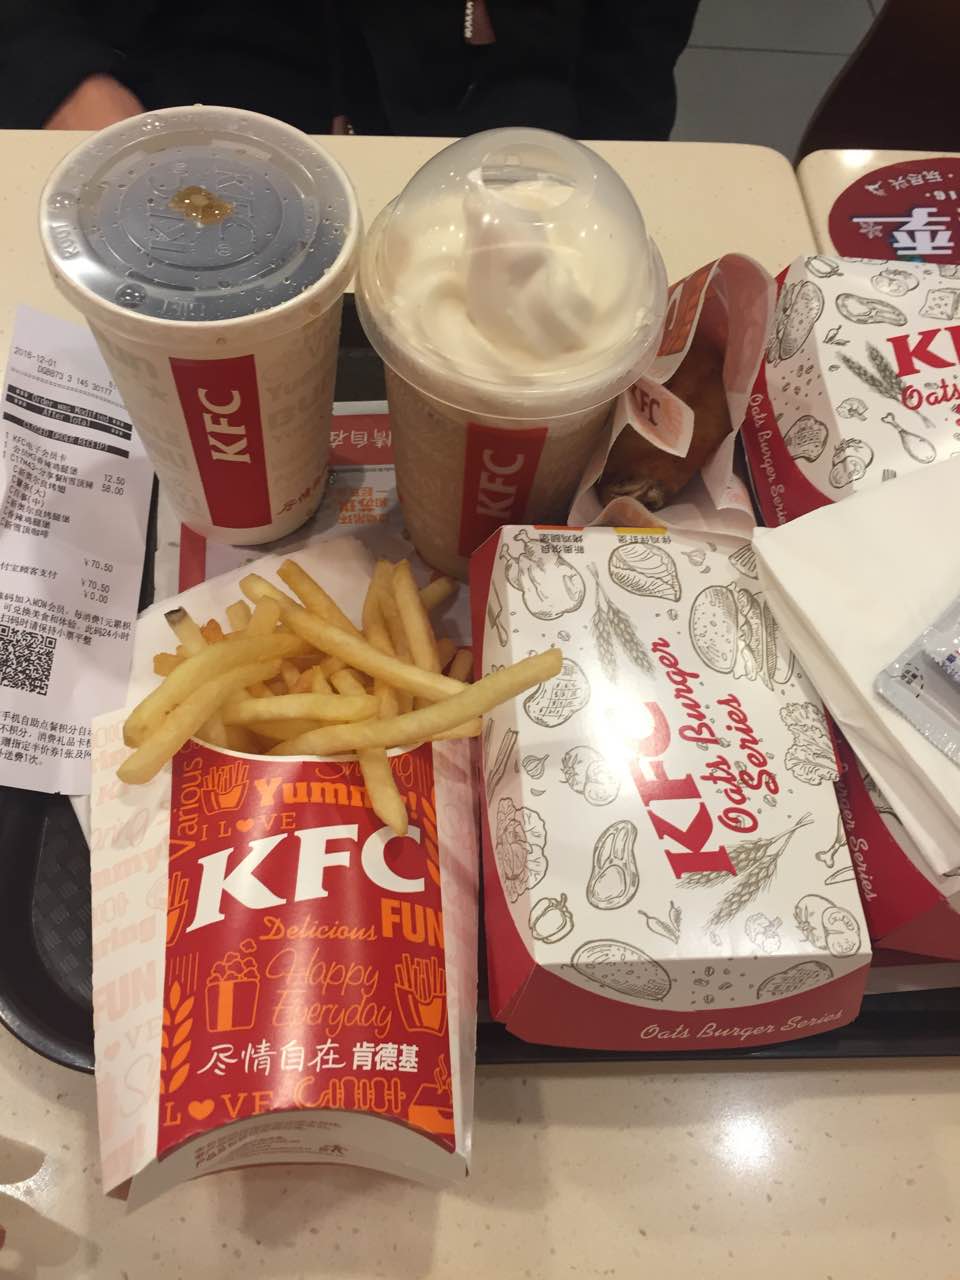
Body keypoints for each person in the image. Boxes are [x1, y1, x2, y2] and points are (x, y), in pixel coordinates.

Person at [1, 1, 697, 140]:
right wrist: (62, 81)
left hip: (490, 104)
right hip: (164, 88)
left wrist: (613, 163)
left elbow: (631, 54)